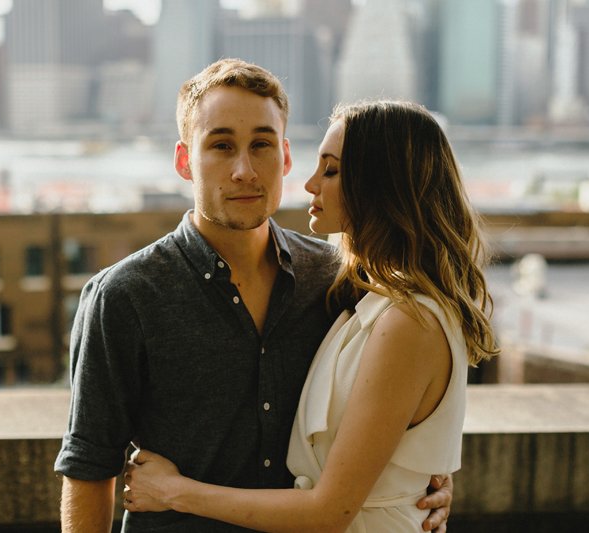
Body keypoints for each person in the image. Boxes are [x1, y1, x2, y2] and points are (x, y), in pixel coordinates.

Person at [54, 59, 453, 532]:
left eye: (261, 144)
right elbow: (89, 466)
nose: (244, 170)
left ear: (284, 156)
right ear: (185, 161)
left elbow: (400, 399)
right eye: (221, 146)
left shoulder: (337, 277)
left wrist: (421, 484)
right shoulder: (124, 296)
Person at [122, 99, 499, 532]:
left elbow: (327, 512)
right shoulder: (363, 293)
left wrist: (172, 491)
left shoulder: (408, 320)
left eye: (332, 170)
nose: (310, 183)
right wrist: (415, 475)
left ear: (383, 183)